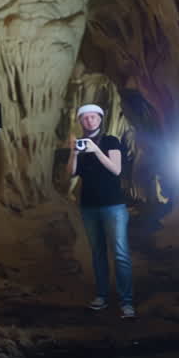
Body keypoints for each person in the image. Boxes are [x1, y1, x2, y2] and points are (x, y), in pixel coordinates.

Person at [69, 103, 134, 317]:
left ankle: (126, 301)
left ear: (100, 119)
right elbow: (71, 173)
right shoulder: (80, 145)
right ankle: (101, 296)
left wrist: (96, 150)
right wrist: (74, 153)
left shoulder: (110, 141)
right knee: (97, 253)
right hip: (89, 206)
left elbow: (116, 169)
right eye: (85, 118)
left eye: (93, 117)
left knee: (120, 253)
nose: (89, 121)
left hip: (113, 205)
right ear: (81, 121)